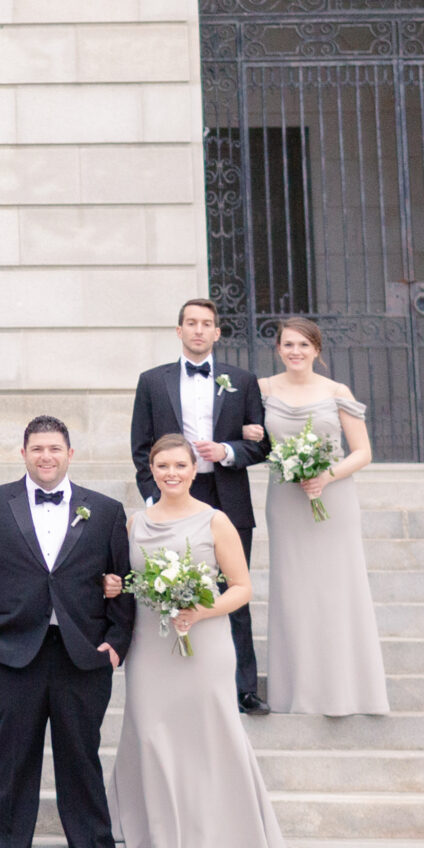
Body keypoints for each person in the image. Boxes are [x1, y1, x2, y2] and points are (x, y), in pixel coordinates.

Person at [109, 435, 300, 848]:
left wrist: (200, 611)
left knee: (203, 749)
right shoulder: (133, 523)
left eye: (179, 465)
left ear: (194, 470)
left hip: (205, 646)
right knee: (154, 745)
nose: (170, 473)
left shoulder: (216, 521)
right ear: (150, 470)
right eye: (162, 465)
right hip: (150, 650)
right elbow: (127, 581)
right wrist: (116, 586)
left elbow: (241, 587)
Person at [0, 416, 134, 848]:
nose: (46, 457)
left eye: (55, 449)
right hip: (15, 652)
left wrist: (117, 644)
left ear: (70, 454)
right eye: (37, 449)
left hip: (83, 654)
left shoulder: (105, 510)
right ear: (23, 453)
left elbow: (122, 583)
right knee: (13, 759)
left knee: (82, 758)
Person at [130, 298, 272, 714]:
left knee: (232, 591)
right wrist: (157, 499)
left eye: (206, 324)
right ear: (179, 331)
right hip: (171, 503)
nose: (198, 330)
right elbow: (141, 447)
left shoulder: (242, 380)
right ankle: (180, 679)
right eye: (190, 323)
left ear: (217, 333)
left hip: (225, 497)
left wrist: (226, 450)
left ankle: (243, 688)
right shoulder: (152, 381)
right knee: (171, 590)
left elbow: (260, 445)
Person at [259, 318, 389, 717]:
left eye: (303, 344)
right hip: (286, 500)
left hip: (333, 501)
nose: (295, 351)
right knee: (294, 592)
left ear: (317, 349)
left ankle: (346, 691)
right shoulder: (262, 390)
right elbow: (252, 438)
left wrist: (325, 476)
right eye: (288, 344)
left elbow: (362, 451)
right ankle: (296, 692)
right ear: (278, 349)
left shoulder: (337, 392)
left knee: (336, 590)